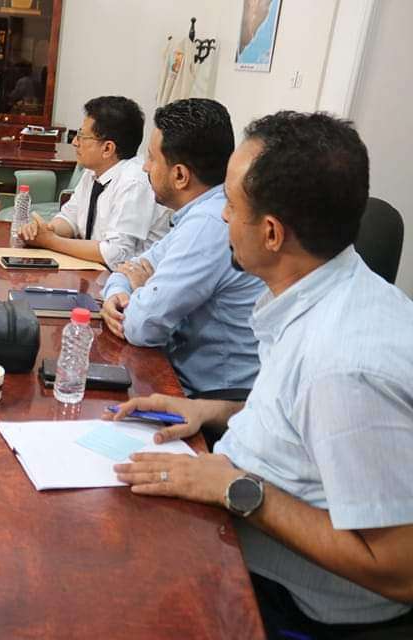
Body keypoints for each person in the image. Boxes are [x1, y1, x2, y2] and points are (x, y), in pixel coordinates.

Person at [108, 111, 413, 639]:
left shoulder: (342, 368)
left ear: (271, 233)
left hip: (295, 605)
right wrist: (211, 410)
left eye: (229, 203)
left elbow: (400, 569)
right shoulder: (322, 290)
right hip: (240, 508)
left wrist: (235, 488)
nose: (221, 216)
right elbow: (298, 420)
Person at [100, 99, 265, 394]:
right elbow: (127, 269)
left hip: (211, 398)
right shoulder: (200, 214)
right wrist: (121, 291)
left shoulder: (209, 224)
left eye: (151, 159)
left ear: (179, 175)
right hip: (176, 373)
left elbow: (142, 326)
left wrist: (138, 289)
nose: (145, 168)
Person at [17, 96, 170, 269]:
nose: (75, 142)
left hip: (129, 279)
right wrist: (45, 230)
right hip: (93, 271)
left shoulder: (134, 182)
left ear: (107, 148)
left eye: (82, 136)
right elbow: (70, 217)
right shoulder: (93, 171)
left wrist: (51, 241)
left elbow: (117, 254)